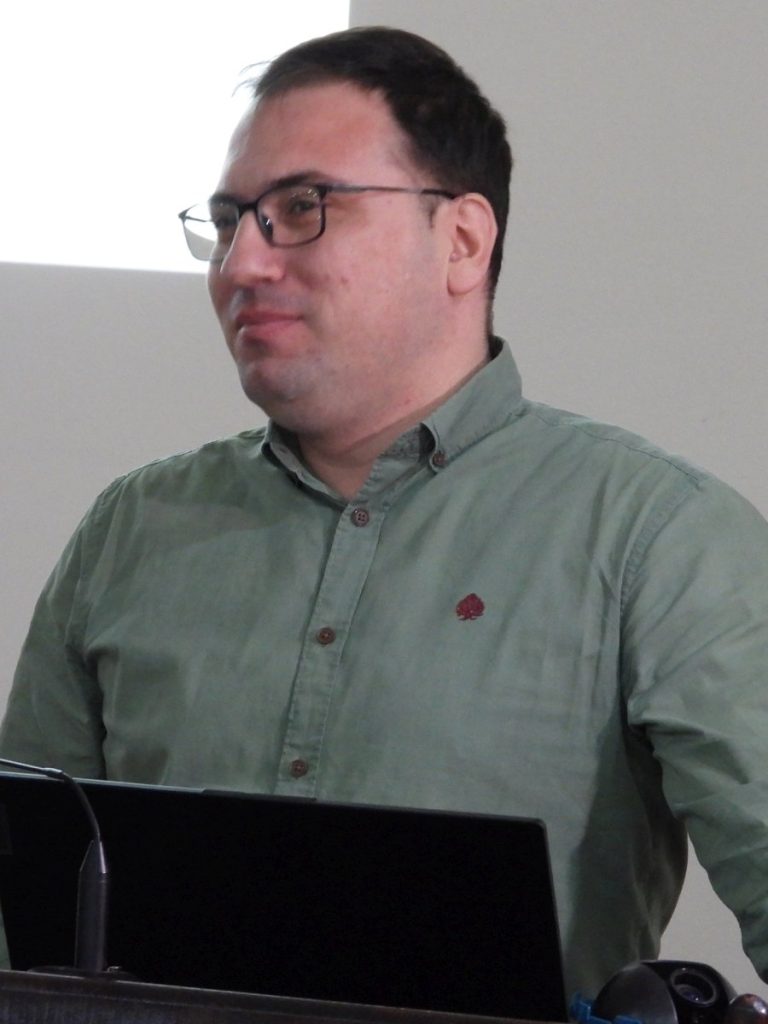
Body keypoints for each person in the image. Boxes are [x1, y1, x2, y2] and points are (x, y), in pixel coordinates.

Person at [1, 25, 767, 1002]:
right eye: (230, 220)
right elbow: (18, 910)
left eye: (302, 208)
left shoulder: (658, 537)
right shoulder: (131, 529)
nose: (241, 263)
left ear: (462, 240)